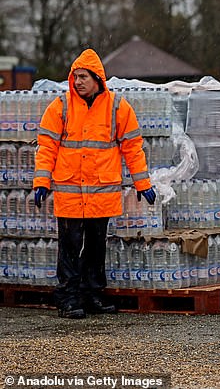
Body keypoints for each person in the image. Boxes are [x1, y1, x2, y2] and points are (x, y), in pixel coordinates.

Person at [33, 48, 156, 319]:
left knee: (96, 247)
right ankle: (68, 298)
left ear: (98, 79)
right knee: (70, 248)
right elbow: (46, 147)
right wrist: (41, 180)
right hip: (70, 192)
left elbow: (133, 148)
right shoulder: (61, 106)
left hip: (101, 191)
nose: (78, 82)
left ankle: (93, 295)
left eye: (84, 77)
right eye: (75, 76)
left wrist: (142, 183)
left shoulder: (117, 107)